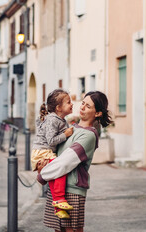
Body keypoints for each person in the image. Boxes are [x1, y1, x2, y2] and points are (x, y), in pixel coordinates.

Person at [37, 91, 112, 232]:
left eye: (88, 106)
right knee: (58, 230)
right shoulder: (70, 127)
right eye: (83, 103)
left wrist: (42, 175)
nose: (82, 107)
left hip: (72, 189)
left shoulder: (89, 135)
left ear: (98, 113)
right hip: (57, 187)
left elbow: (65, 162)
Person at [31, 89, 75, 219]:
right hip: (42, 152)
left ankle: (58, 207)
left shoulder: (60, 119)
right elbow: (51, 141)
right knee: (59, 170)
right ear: (59, 107)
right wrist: (65, 134)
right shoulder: (52, 120)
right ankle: (59, 199)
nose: (72, 104)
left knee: (54, 174)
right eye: (68, 102)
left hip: (46, 151)